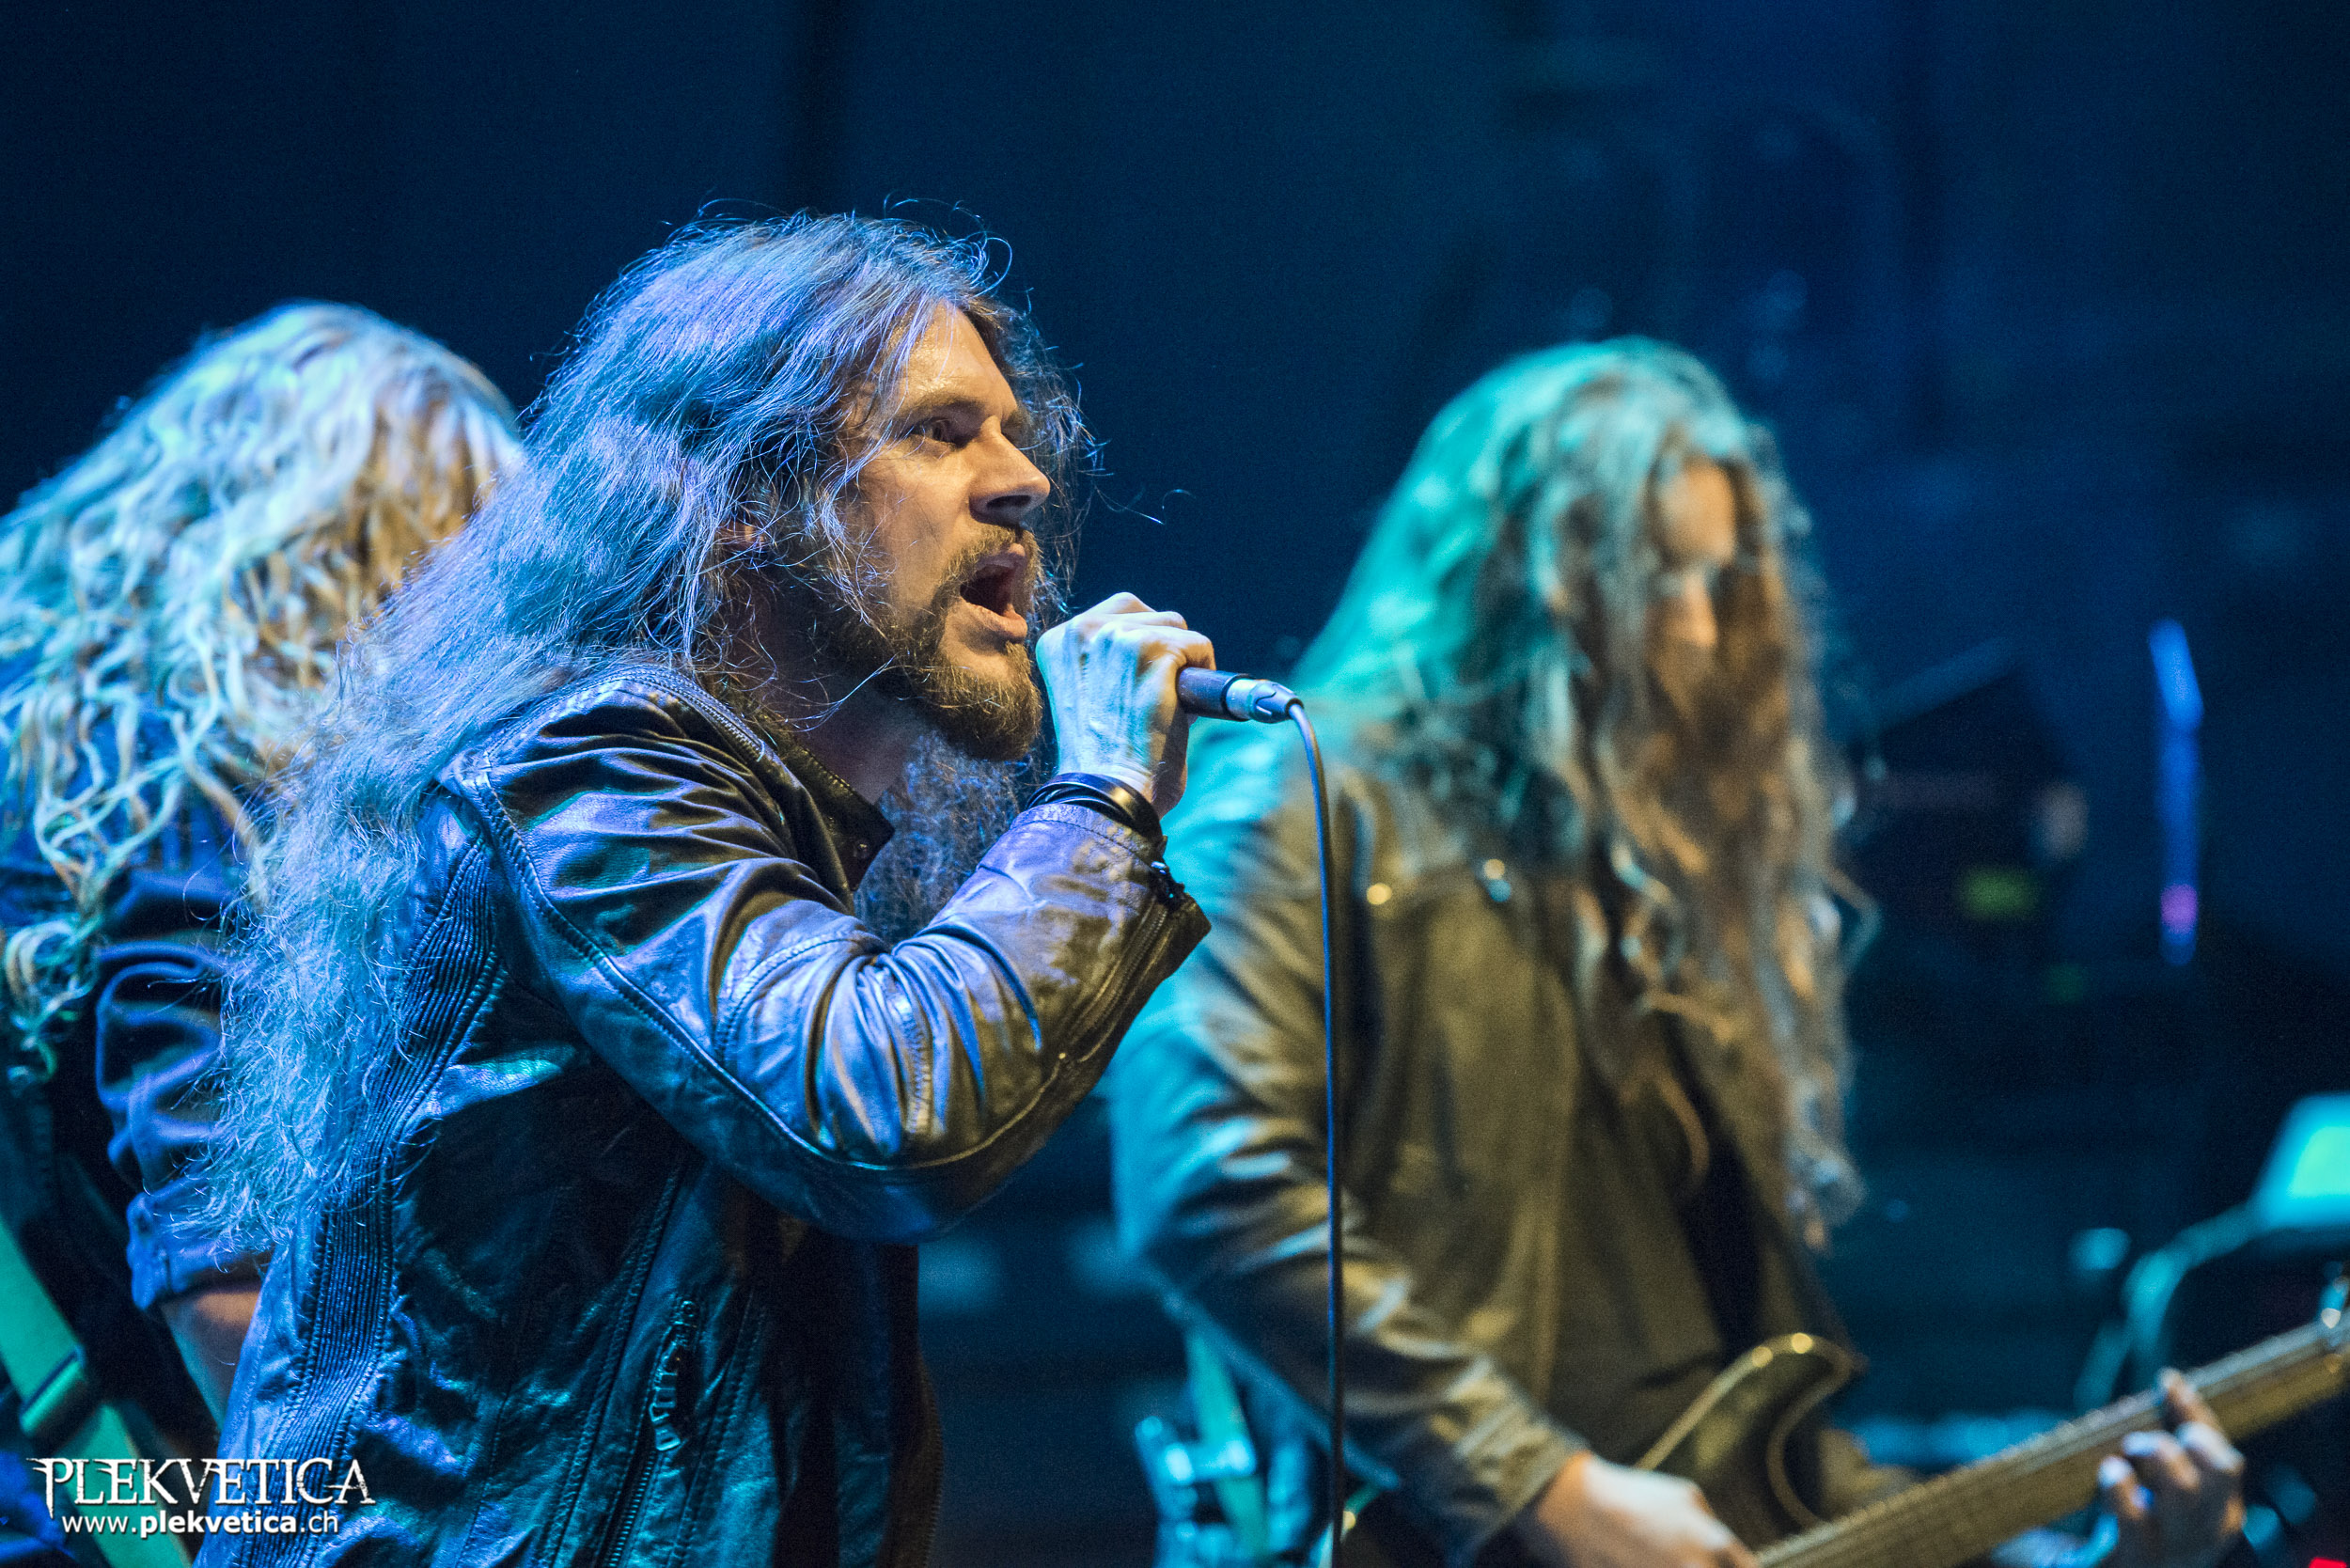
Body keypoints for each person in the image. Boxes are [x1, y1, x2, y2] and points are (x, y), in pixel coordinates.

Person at [1108, 340, 2245, 1568]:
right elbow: (1206, 1182)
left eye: (1722, 585)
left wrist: (2104, 1563)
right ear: (1519, 584)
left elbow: (1771, 1470)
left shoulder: (1651, 896)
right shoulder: (1303, 798)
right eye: (1657, 582)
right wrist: (1541, 1488)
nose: (1704, 634)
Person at [197, 214, 1214, 1567]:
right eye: (938, 432)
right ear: (741, 495)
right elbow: (887, 1109)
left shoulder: (794, 837)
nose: (1024, 479)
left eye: (1015, 434)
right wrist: (1101, 800)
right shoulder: (586, 771)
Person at [0, 301, 517, 1482]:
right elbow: (224, 1277)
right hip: (116, 1502)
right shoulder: (210, 799)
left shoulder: (52, 760)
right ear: (367, 565)